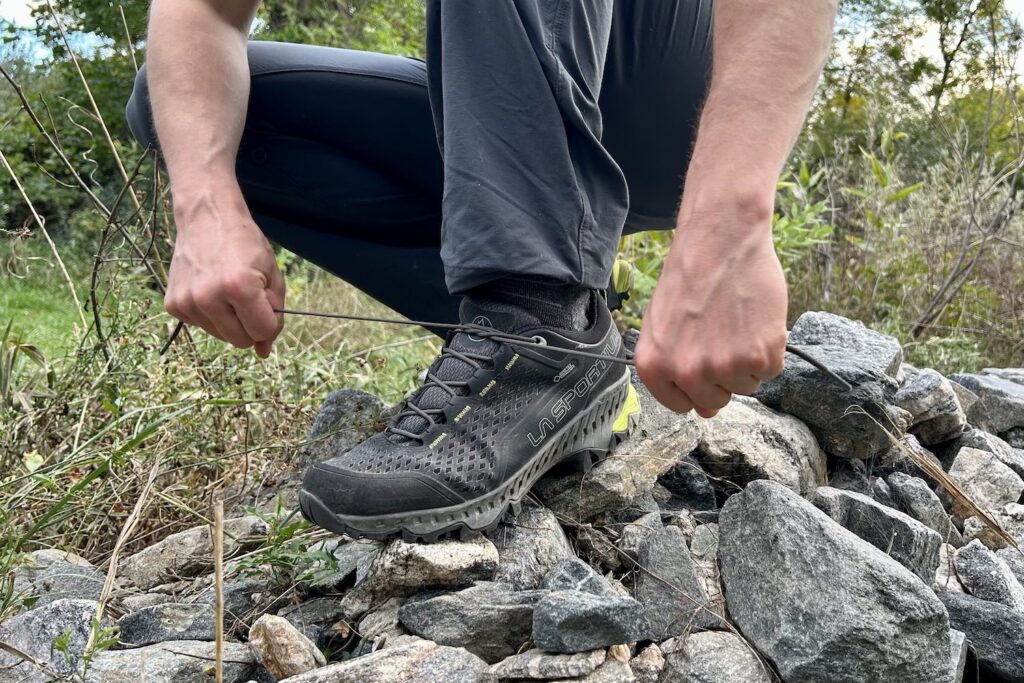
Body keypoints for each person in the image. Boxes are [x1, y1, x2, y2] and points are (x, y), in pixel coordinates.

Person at [127, 0, 837, 540]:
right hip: (506, 94)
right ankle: (547, 338)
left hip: (683, 72)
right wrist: (204, 202)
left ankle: (535, 315)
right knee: (181, 110)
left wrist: (732, 218)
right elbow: (204, 15)